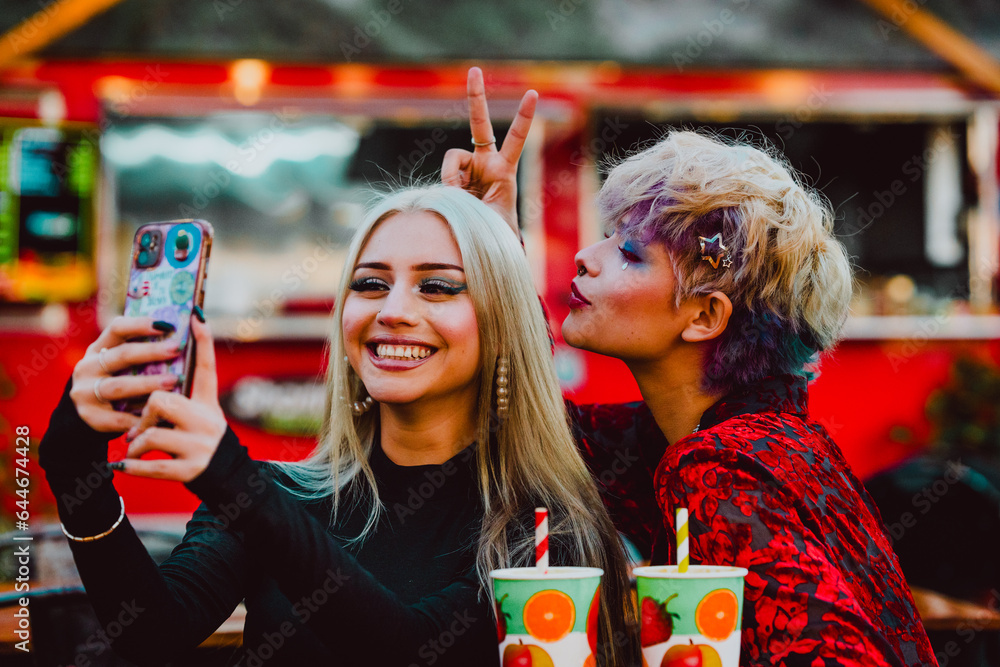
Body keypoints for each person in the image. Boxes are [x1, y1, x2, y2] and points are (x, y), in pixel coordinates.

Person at [443, 67, 938, 667]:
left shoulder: (722, 466)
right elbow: (527, 420)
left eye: (628, 253)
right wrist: (492, 245)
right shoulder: (734, 441)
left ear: (705, 315)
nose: (585, 256)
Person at [39, 185, 637, 666]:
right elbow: (151, 634)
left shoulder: (541, 531)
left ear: (503, 322)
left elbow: (404, 647)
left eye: (437, 286)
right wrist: (75, 467)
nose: (392, 311)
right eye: (370, 283)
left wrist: (231, 480)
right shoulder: (279, 495)